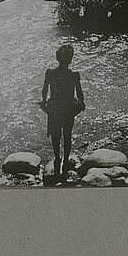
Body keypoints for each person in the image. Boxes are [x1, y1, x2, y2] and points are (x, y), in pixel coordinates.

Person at [40, 45, 85, 177]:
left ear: (57, 57)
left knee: (55, 135)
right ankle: (65, 159)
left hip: (54, 107)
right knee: (67, 134)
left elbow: (44, 90)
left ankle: (57, 158)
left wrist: (43, 102)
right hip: (68, 108)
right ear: (70, 60)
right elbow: (79, 93)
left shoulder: (50, 73)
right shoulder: (74, 75)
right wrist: (81, 103)